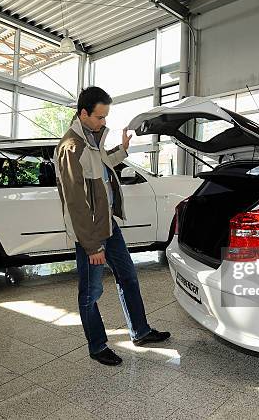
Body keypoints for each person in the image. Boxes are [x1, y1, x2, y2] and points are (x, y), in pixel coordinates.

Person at [54, 86, 170, 366]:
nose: (104, 122)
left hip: (109, 225)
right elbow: (76, 204)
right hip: (92, 234)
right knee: (91, 292)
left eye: (105, 117)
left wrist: (123, 150)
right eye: (99, 117)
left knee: (128, 277)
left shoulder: (91, 140)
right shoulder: (72, 147)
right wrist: (92, 245)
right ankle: (97, 346)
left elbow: (103, 165)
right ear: (83, 113)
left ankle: (140, 331)